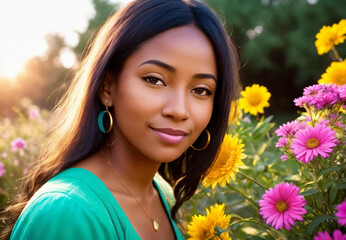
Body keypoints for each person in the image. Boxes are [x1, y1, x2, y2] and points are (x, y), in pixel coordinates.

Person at [2, 0, 240, 239]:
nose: (179, 110)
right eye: (155, 79)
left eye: (200, 90)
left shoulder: (163, 194)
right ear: (107, 86)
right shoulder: (67, 210)